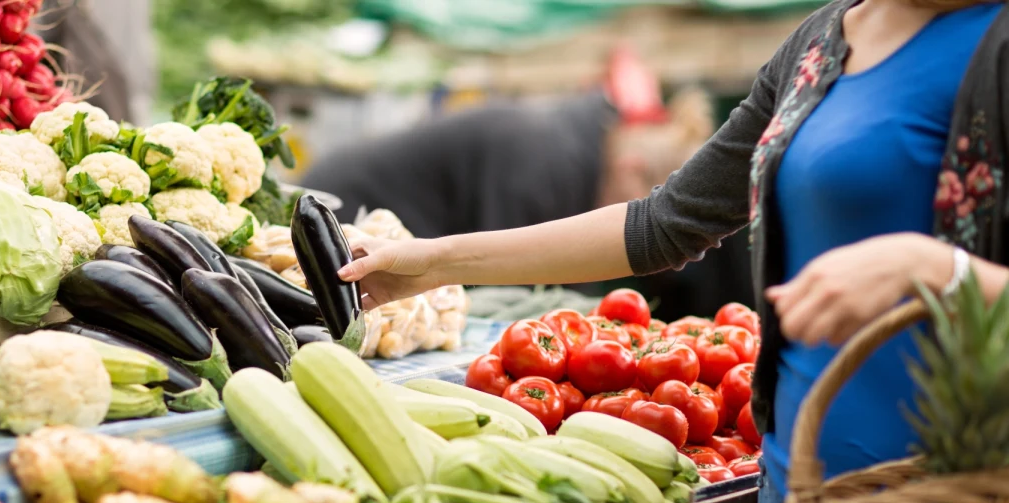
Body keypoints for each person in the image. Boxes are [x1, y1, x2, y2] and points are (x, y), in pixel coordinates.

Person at [336, 1, 1009, 503]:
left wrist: (940, 269)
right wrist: (429, 263)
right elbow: (664, 222)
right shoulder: (821, 40)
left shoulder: (993, 43)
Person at [300, 77, 756, 317]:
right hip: (338, 214)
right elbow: (510, 277)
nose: (640, 213)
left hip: (400, 231)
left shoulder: (570, 145)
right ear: (632, 169)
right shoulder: (543, 162)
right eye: (650, 200)